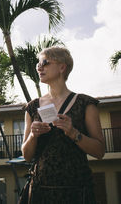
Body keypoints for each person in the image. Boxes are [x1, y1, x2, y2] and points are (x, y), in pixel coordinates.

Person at [21, 46, 105, 204]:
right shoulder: (32, 107)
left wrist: (74, 133)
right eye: (38, 64)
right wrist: (33, 135)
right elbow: (26, 156)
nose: (39, 67)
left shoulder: (85, 104)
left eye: (44, 62)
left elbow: (100, 151)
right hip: (40, 190)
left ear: (62, 67)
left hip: (77, 191)